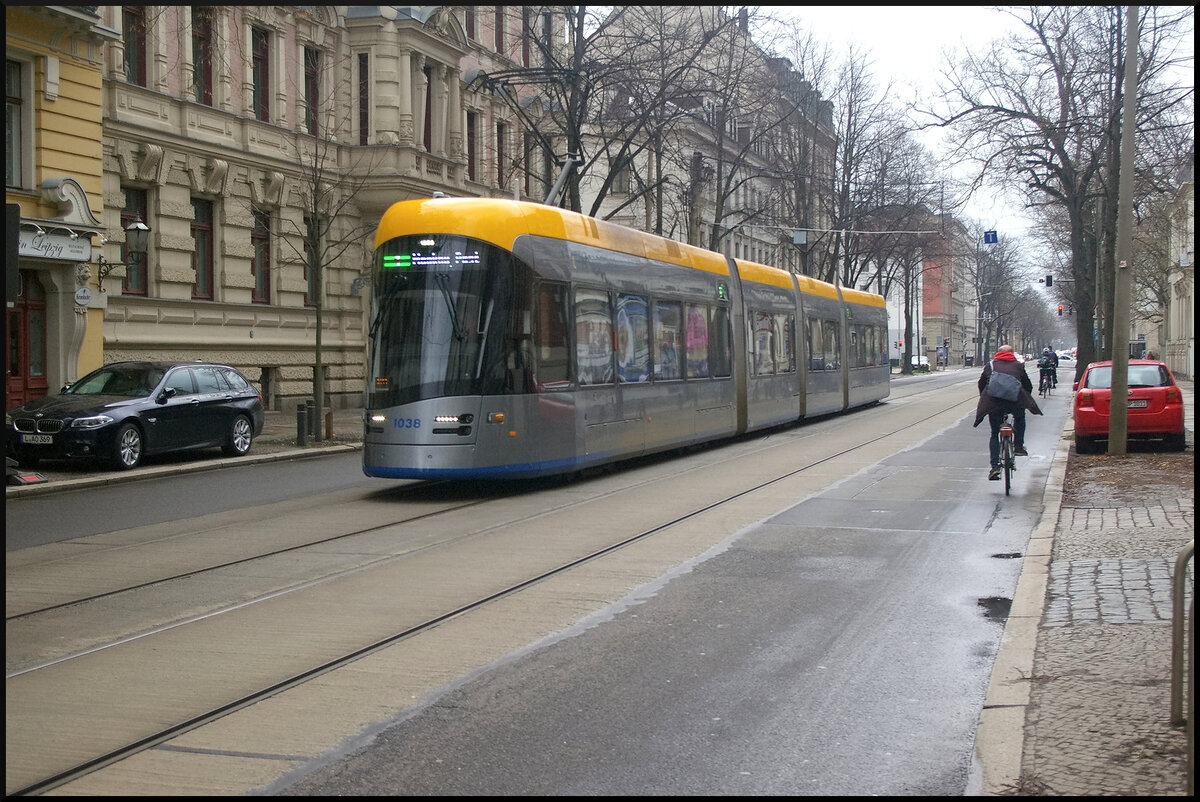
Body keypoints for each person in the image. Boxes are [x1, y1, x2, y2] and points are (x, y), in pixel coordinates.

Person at [974, 345, 1043, 480]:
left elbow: (981, 384)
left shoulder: (990, 365)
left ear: (998, 353)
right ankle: (1018, 446)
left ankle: (994, 466)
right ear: (1012, 354)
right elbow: (1027, 385)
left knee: (995, 433)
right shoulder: (1018, 366)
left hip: (994, 401)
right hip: (1014, 401)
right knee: (1020, 418)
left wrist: (984, 396)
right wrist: (1026, 396)